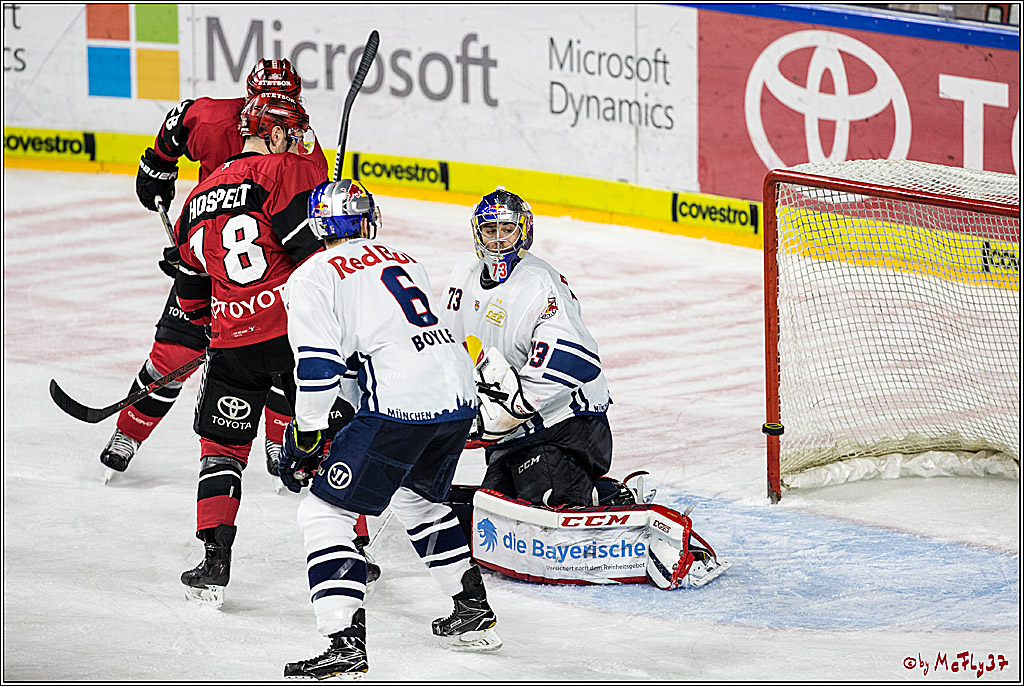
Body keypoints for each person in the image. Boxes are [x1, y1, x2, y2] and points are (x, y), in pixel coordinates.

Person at [279, 180, 501, 679]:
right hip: (457, 390)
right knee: (415, 499)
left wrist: (308, 434)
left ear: (318, 227)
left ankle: (344, 643)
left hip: (402, 399)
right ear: (366, 219)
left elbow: (317, 367)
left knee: (323, 512)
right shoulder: (401, 255)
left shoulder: (311, 275)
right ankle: (471, 611)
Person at [100, 58, 333, 480]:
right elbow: (178, 124)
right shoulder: (212, 120)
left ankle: (279, 443)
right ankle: (128, 434)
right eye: (265, 101)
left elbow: (310, 228)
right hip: (208, 260)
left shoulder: (304, 149)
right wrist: (157, 165)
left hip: (269, 268)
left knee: (291, 354)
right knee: (175, 351)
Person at [172, 91, 340, 608]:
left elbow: (191, 290)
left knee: (222, 450)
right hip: (292, 333)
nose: (294, 142)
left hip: (232, 343)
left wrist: (213, 327)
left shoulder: (195, 198)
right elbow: (306, 252)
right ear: (270, 133)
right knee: (328, 434)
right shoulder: (278, 172)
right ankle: (353, 548)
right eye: (287, 133)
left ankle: (214, 557)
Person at [440, 187, 613, 508]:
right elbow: (447, 346)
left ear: (525, 231)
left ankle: (605, 500)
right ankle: (596, 491)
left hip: (565, 426)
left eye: (508, 229)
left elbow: (576, 360)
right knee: (492, 509)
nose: (498, 239)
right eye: (490, 230)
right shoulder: (464, 275)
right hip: (512, 436)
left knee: (545, 505)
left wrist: (508, 408)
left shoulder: (539, 282)